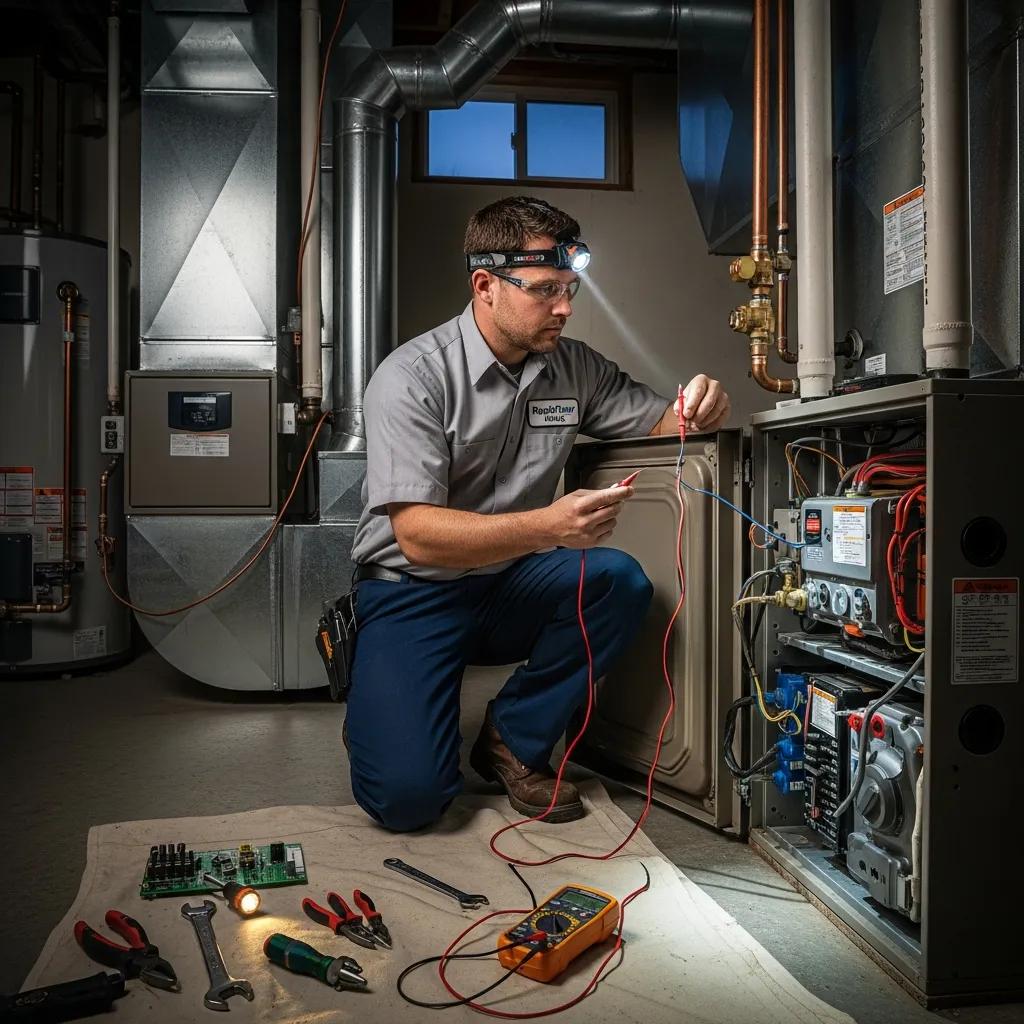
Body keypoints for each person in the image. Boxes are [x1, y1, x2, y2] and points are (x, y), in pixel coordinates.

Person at [345, 196, 730, 832]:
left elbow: (667, 427)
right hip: (412, 592)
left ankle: (512, 739)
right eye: (546, 290)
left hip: (508, 585)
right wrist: (547, 526)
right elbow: (415, 537)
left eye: (571, 289)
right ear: (485, 285)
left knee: (618, 580)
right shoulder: (412, 376)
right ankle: (380, 701)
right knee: (408, 802)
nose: (565, 309)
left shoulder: (575, 368)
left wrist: (697, 406)